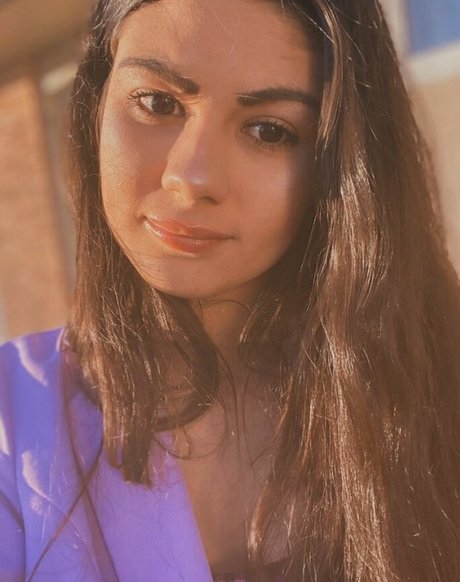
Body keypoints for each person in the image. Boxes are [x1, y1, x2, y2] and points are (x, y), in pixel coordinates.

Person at [1, 0, 460, 580]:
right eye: (158, 103)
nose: (191, 177)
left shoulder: (441, 388)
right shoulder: (13, 420)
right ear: (96, 105)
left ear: (342, 159)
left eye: (268, 130)